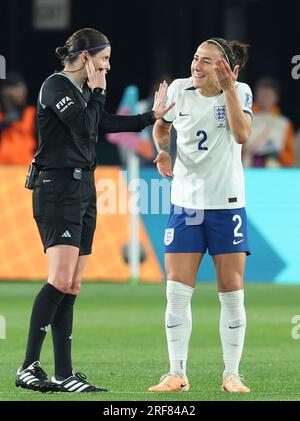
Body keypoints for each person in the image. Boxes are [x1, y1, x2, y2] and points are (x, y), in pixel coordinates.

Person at [15, 27, 173, 393]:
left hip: (83, 185)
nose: (108, 66)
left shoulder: (84, 92)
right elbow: (86, 125)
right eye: (104, 59)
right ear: (86, 57)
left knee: (72, 282)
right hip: (57, 187)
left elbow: (102, 125)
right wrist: (99, 92)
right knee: (59, 278)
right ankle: (28, 366)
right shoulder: (55, 87)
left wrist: (151, 117)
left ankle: (63, 373)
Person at [148, 38, 253, 393]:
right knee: (176, 293)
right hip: (186, 204)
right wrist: (163, 151)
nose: (196, 65)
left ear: (228, 69)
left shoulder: (240, 91)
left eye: (207, 61)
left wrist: (230, 92)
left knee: (231, 292)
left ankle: (232, 374)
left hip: (227, 204)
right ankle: (176, 373)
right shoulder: (180, 89)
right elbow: (161, 127)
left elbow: (242, 134)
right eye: (195, 58)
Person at [242, 77, 295, 168]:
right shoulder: (246, 118)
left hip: (274, 172)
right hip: (248, 168)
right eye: (262, 95)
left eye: (268, 96)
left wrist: (278, 153)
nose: (264, 99)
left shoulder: (285, 123)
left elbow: (289, 157)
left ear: (276, 98)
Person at [0, 72, 37, 164]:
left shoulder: (32, 114)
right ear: (5, 90)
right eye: (17, 88)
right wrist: (4, 124)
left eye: (23, 88)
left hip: (26, 170)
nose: (22, 92)